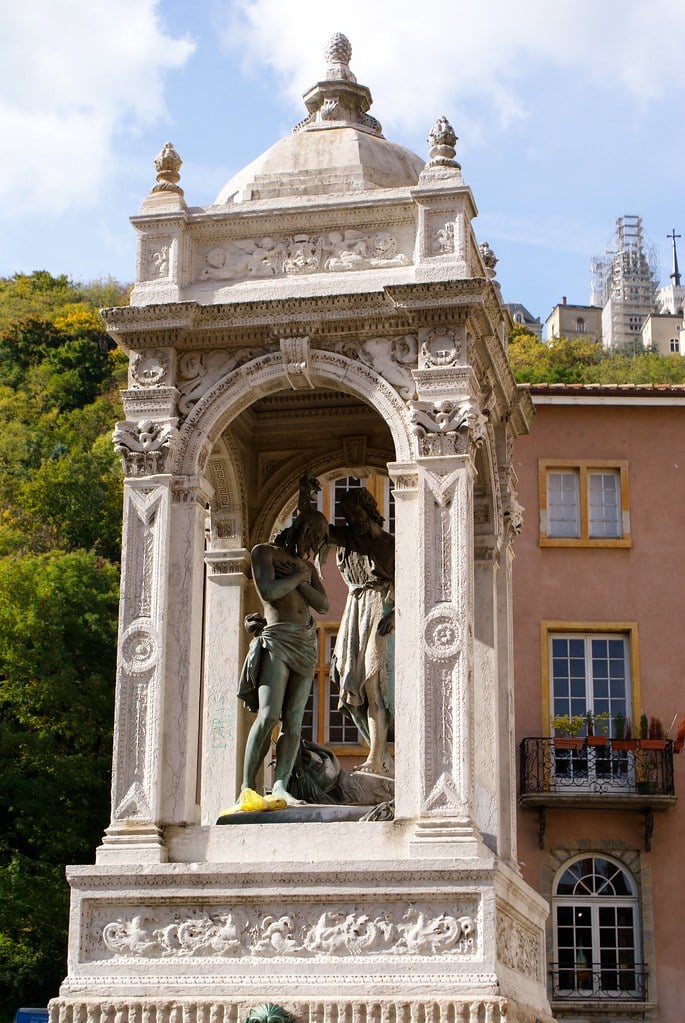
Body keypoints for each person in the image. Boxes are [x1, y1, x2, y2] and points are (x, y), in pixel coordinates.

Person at [238, 508, 329, 805]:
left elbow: (324, 605)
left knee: (293, 721)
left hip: (305, 642)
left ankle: (280, 786)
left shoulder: (306, 566)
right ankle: (248, 788)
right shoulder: (264, 553)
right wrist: (298, 577)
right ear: (301, 530)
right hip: (277, 639)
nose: (314, 546)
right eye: (313, 538)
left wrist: (302, 577)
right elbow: (268, 592)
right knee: (268, 715)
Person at [328, 488, 395, 777]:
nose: (352, 519)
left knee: (373, 681)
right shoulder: (348, 540)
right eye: (347, 515)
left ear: (369, 509)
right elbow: (318, 529)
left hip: (381, 609)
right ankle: (380, 755)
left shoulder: (391, 544)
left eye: (356, 513)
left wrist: (393, 612)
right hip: (354, 610)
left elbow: (409, 578)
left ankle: (376, 757)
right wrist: (306, 497)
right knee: (352, 680)